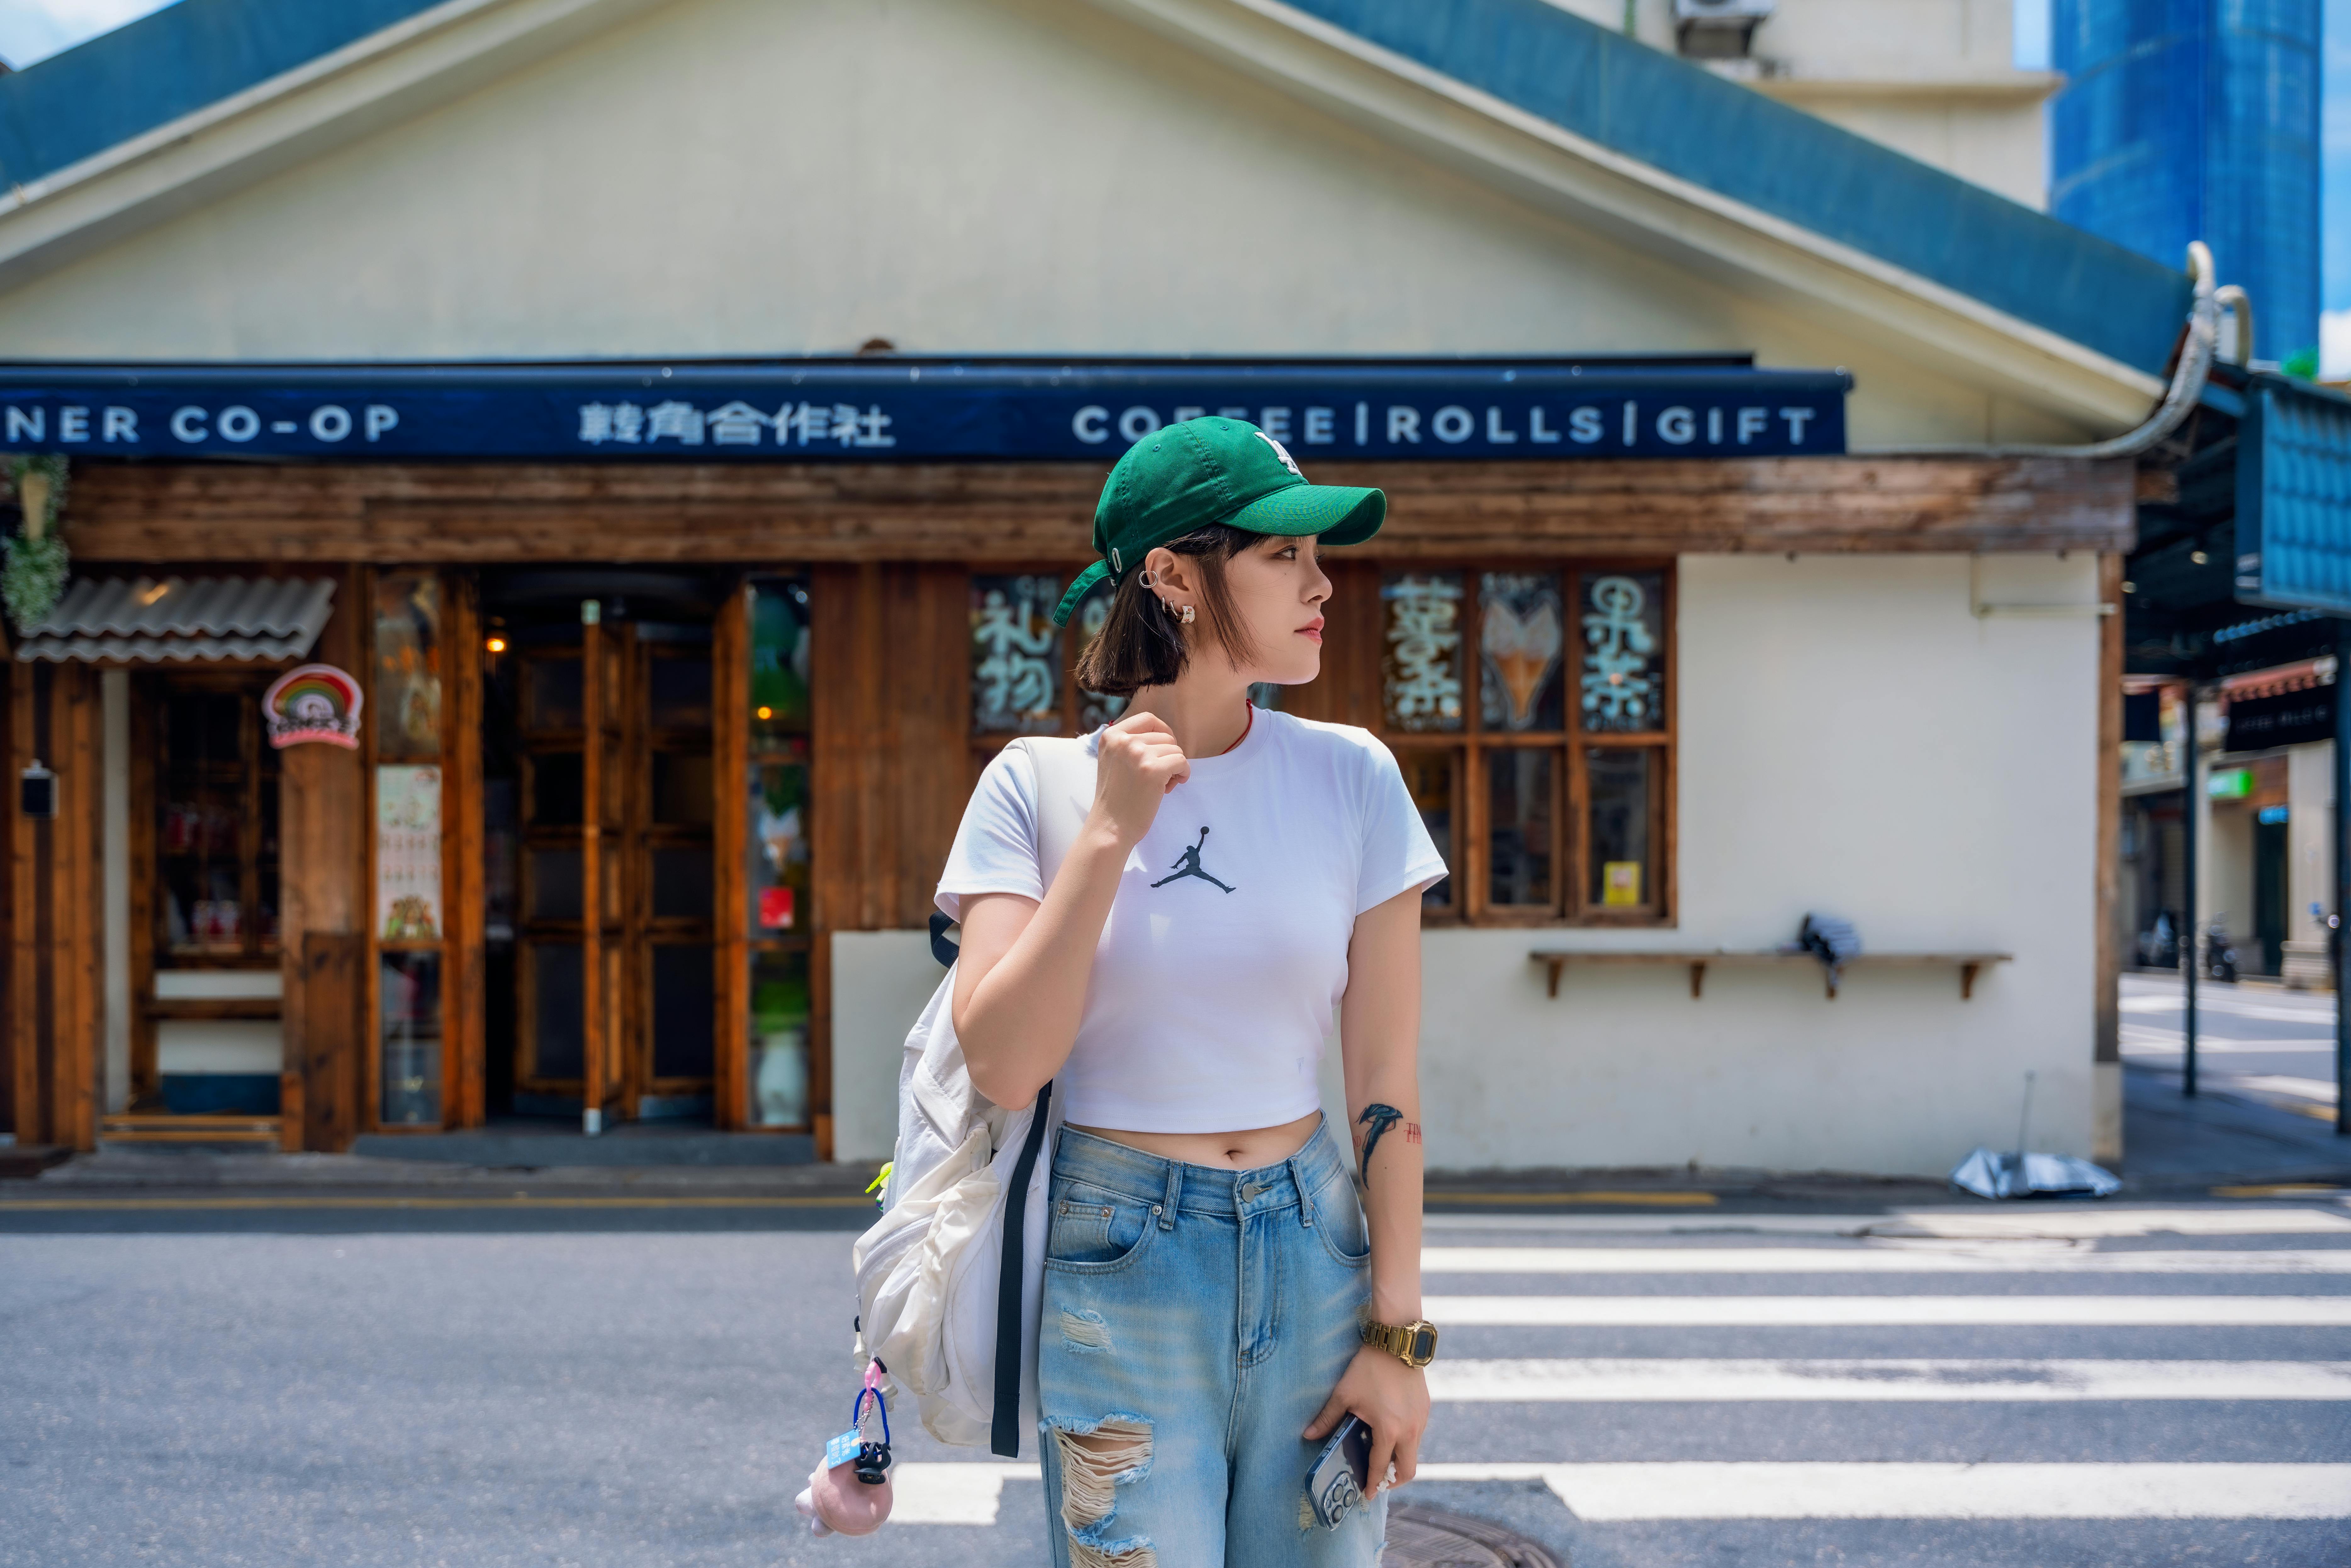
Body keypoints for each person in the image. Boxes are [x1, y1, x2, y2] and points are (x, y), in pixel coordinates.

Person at [937, 416, 1448, 1568]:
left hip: (1316, 1246)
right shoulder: (1035, 788)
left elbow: (1385, 1080)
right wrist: (1112, 831)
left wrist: (1400, 1337)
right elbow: (1006, 1063)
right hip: (1119, 1255)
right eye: (1282, 555)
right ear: (1172, 575)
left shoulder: (1355, 775)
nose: (1322, 584)